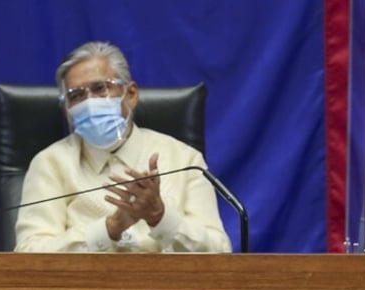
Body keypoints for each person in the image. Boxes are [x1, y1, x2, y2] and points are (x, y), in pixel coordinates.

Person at [14, 41, 232, 253]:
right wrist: (109, 228)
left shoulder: (185, 160)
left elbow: (219, 252)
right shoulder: (50, 164)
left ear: (131, 94)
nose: (89, 102)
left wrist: (159, 216)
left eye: (100, 88)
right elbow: (28, 254)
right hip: (85, 288)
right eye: (76, 96)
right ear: (67, 110)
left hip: (167, 287)